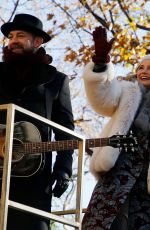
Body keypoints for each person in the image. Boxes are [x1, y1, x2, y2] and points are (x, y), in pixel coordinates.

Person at [0, 13, 74, 230]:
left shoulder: (56, 80)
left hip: (34, 175)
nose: (12, 40)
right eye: (10, 36)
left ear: (37, 41)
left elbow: (65, 129)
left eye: (20, 35)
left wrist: (63, 169)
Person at [82, 26, 150, 230]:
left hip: (147, 181)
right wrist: (101, 63)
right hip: (117, 171)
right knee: (102, 224)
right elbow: (104, 97)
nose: (144, 72)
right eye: (141, 68)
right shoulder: (127, 91)